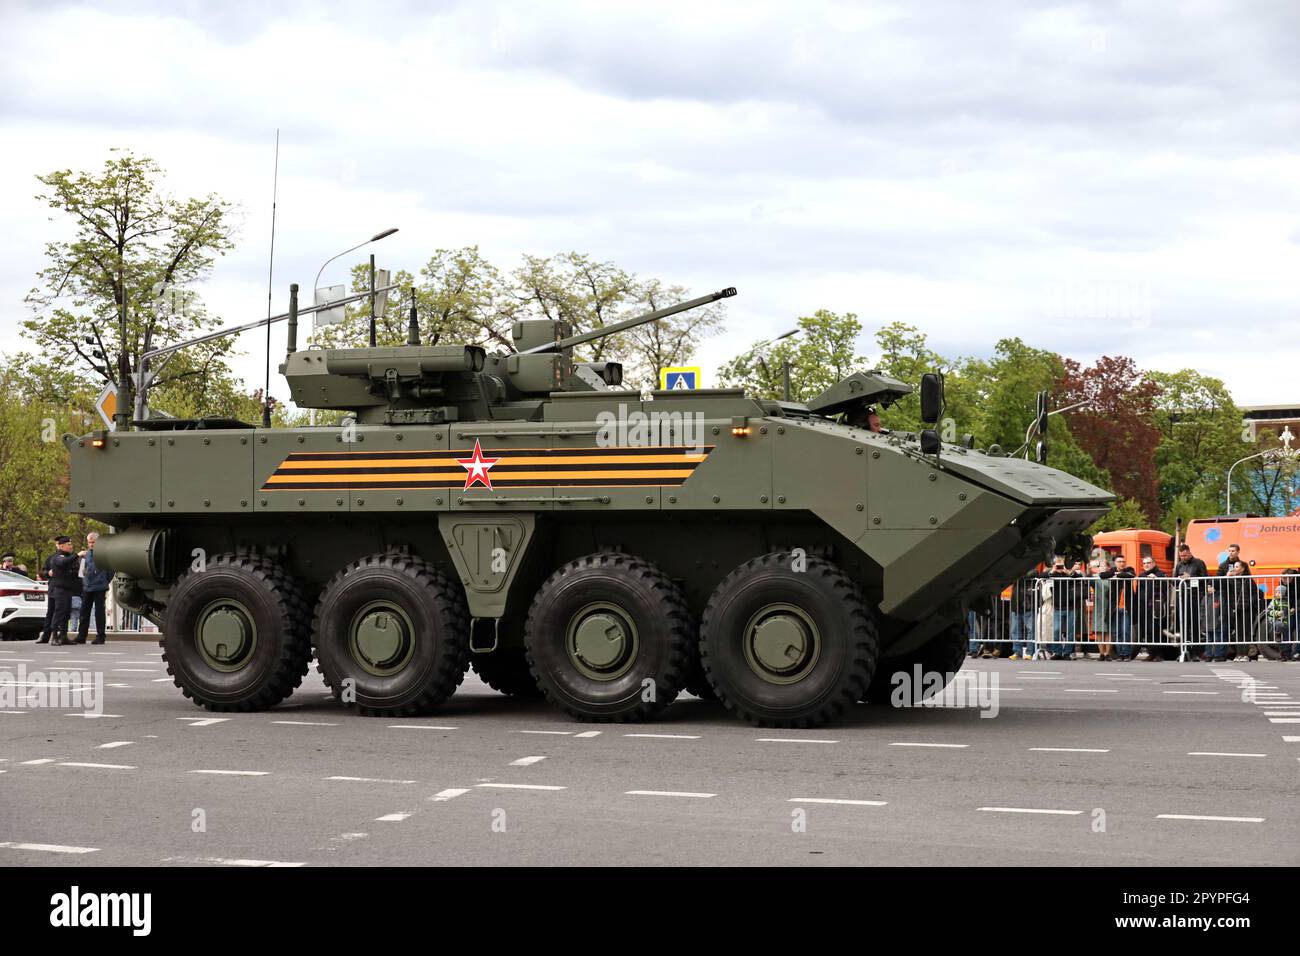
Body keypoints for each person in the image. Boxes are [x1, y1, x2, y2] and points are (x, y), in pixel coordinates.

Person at [1174, 543, 1210, 660]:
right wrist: (1178, 580)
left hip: (1195, 597)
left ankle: (1197, 651)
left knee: (1194, 625)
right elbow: (1173, 581)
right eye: (1181, 556)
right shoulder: (1179, 565)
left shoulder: (1199, 563)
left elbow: (1205, 578)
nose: (1183, 558)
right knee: (1182, 625)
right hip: (1182, 597)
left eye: (1185, 555)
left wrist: (1191, 577)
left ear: (1189, 553)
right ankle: (1184, 650)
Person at [43, 536, 81, 646]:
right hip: (59, 589)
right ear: (61, 546)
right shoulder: (58, 557)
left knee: (66, 614)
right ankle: (54, 636)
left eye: (71, 544)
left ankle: (63, 636)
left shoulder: (71, 558)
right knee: (58, 613)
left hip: (68, 589)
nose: (71, 546)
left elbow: (75, 572)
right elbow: (63, 562)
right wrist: (78, 555)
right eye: (68, 545)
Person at [74, 532, 111, 645]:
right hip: (87, 587)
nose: (91, 544)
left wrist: (105, 581)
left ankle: (100, 636)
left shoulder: (104, 554)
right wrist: (84, 583)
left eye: (93, 542)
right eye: (89, 542)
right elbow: (81, 572)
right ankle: (81, 636)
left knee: (99, 613)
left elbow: (111, 570)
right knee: (84, 612)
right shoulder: (85, 555)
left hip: (100, 586)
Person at [1098, 555, 1135, 660]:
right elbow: (1102, 575)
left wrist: (1117, 575)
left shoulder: (1129, 569)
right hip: (1114, 607)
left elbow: (1131, 575)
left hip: (1126, 607)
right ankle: (1120, 654)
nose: (1122, 563)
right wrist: (1115, 573)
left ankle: (1127, 653)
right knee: (1116, 632)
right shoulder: (1112, 570)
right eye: (1119, 561)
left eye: (1123, 561)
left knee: (1126, 631)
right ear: (1115, 562)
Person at [1135, 556, 1172, 660]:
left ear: (1154, 563)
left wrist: (1156, 579)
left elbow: (1166, 588)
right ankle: (1151, 653)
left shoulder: (1160, 574)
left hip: (1156, 607)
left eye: (1149, 562)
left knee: (1156, 630)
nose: (1146, 565)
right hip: (1143, 607)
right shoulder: (1141, 576)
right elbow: (1138, 592)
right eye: (1144, 563)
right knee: (1146, 631)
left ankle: (1159, 654)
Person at [1049, 557, 1082, 659]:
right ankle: (1057, 652)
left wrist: (1067, 572)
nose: (1060, 567)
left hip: (1071, 606)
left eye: (1062, 565)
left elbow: (1079, 577)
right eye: (1058, 565)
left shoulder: (1071, 573)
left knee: (1070, 631)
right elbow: (1043, 575)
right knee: (1056, 630)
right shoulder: (1053, 573)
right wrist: (1053, 570)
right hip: (1058, 606)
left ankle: (1067, 653)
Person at [1008, 571, 1038, 660]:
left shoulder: (1031, 566)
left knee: (1031, 629)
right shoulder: (1014, 568)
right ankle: (1017, 652)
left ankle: (1030, 652)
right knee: (1015, 630)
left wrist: (1020, 575)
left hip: (1028, 603)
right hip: (1016, 603)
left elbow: (1034, 573)